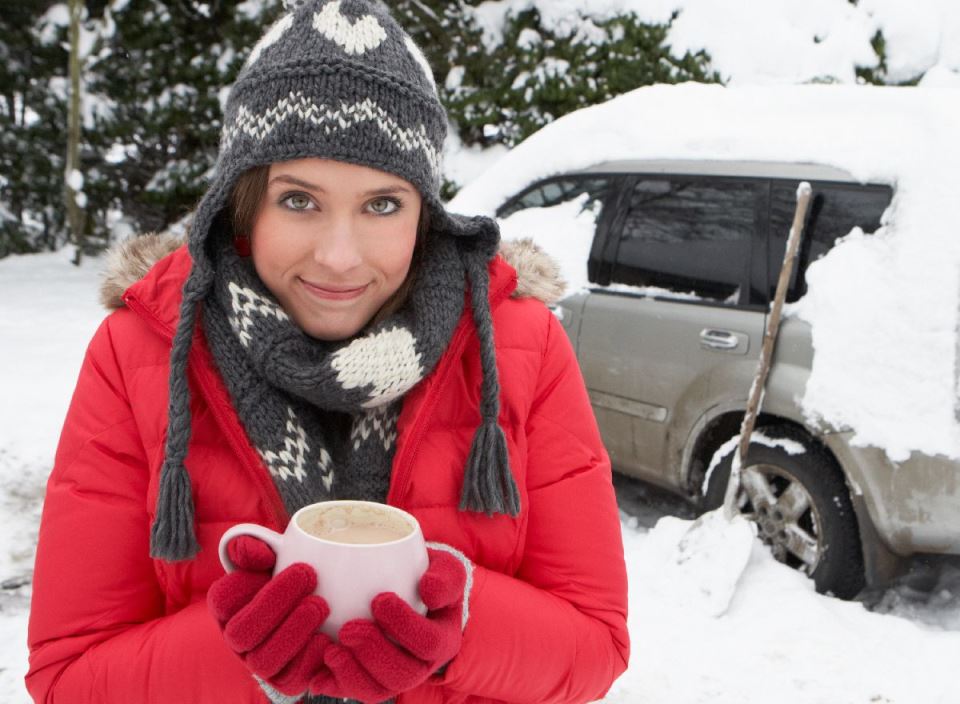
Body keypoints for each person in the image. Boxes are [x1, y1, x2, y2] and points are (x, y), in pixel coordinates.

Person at [25, 1, 629, 702]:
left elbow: (597, 647)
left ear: (425, 214)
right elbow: (67, 676)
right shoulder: (140, 352)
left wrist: (460, 623)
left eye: (382, 205)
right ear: (243, 203)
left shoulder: (519, 345)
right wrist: (241, 651)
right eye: (299, 201)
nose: (339, 257)